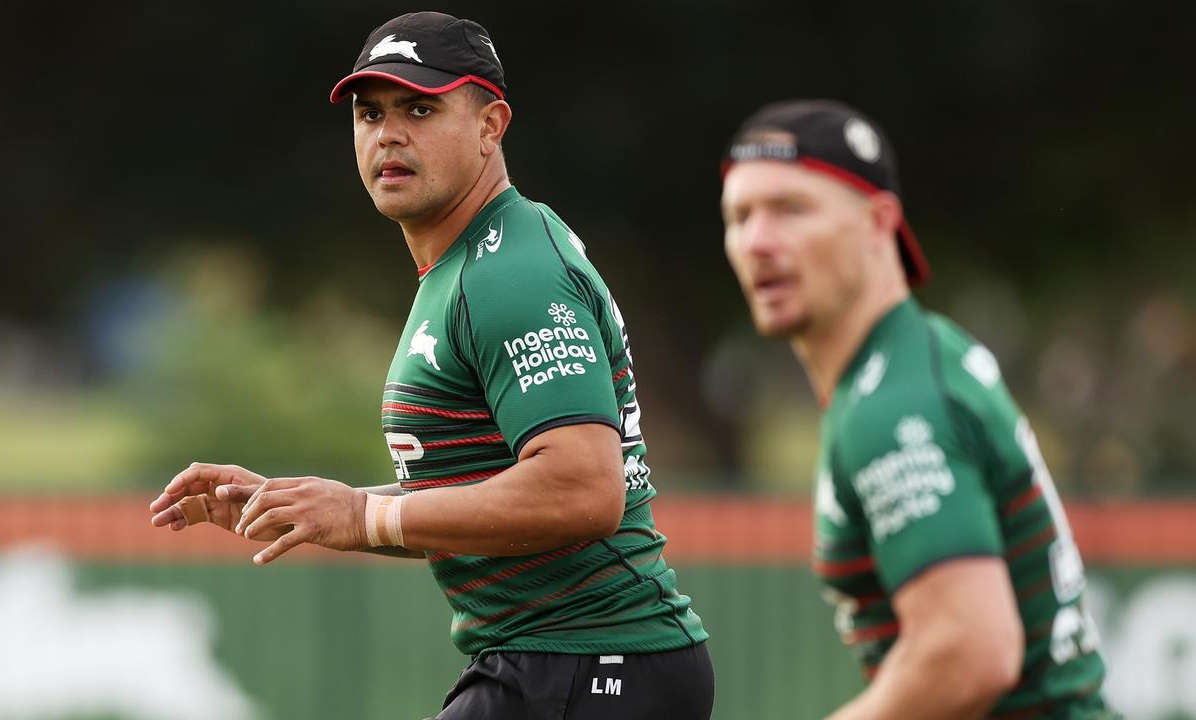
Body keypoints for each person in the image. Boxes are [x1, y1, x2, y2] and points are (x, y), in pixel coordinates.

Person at [148, 12, 712, 720]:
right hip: (569, 666)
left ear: (490, 125)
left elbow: (583, 489)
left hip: (591, 663)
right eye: (369, 112)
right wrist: (318, 512)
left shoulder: (511, 272)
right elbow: (488, 500)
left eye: (421, 108)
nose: (389, 133)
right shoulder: (470, 263)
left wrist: (364, 515)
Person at [720, 99, 1118, 719]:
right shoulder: (914, 358)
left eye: (791, 210)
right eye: (739, 216)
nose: (757, 242)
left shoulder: (895, 402)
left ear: (880, 222)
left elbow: (970, 654)